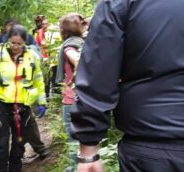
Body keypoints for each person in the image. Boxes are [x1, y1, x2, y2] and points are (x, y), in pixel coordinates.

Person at [70, 0, 184, 172]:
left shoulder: (121, 3)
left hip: (152, 149)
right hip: (151, 144)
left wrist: (88, 149)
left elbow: (98, 71)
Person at [0, 24, 47, 172]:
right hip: (0, 104)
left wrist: (42, 101)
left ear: (25, 43)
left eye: (19, 44)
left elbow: (38, 80)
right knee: (2, 144)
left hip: (22, 106)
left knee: (19, 143)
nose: (15, 46)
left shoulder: (32, 56)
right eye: (12, 43)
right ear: (7, 39)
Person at [55, 13, 87, 172]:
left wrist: (74, 79)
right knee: (83, 143)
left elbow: (78, 60)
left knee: (75, 142)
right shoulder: (83, 43)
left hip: (72, 100)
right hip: (86, 99)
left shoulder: (70, 45)